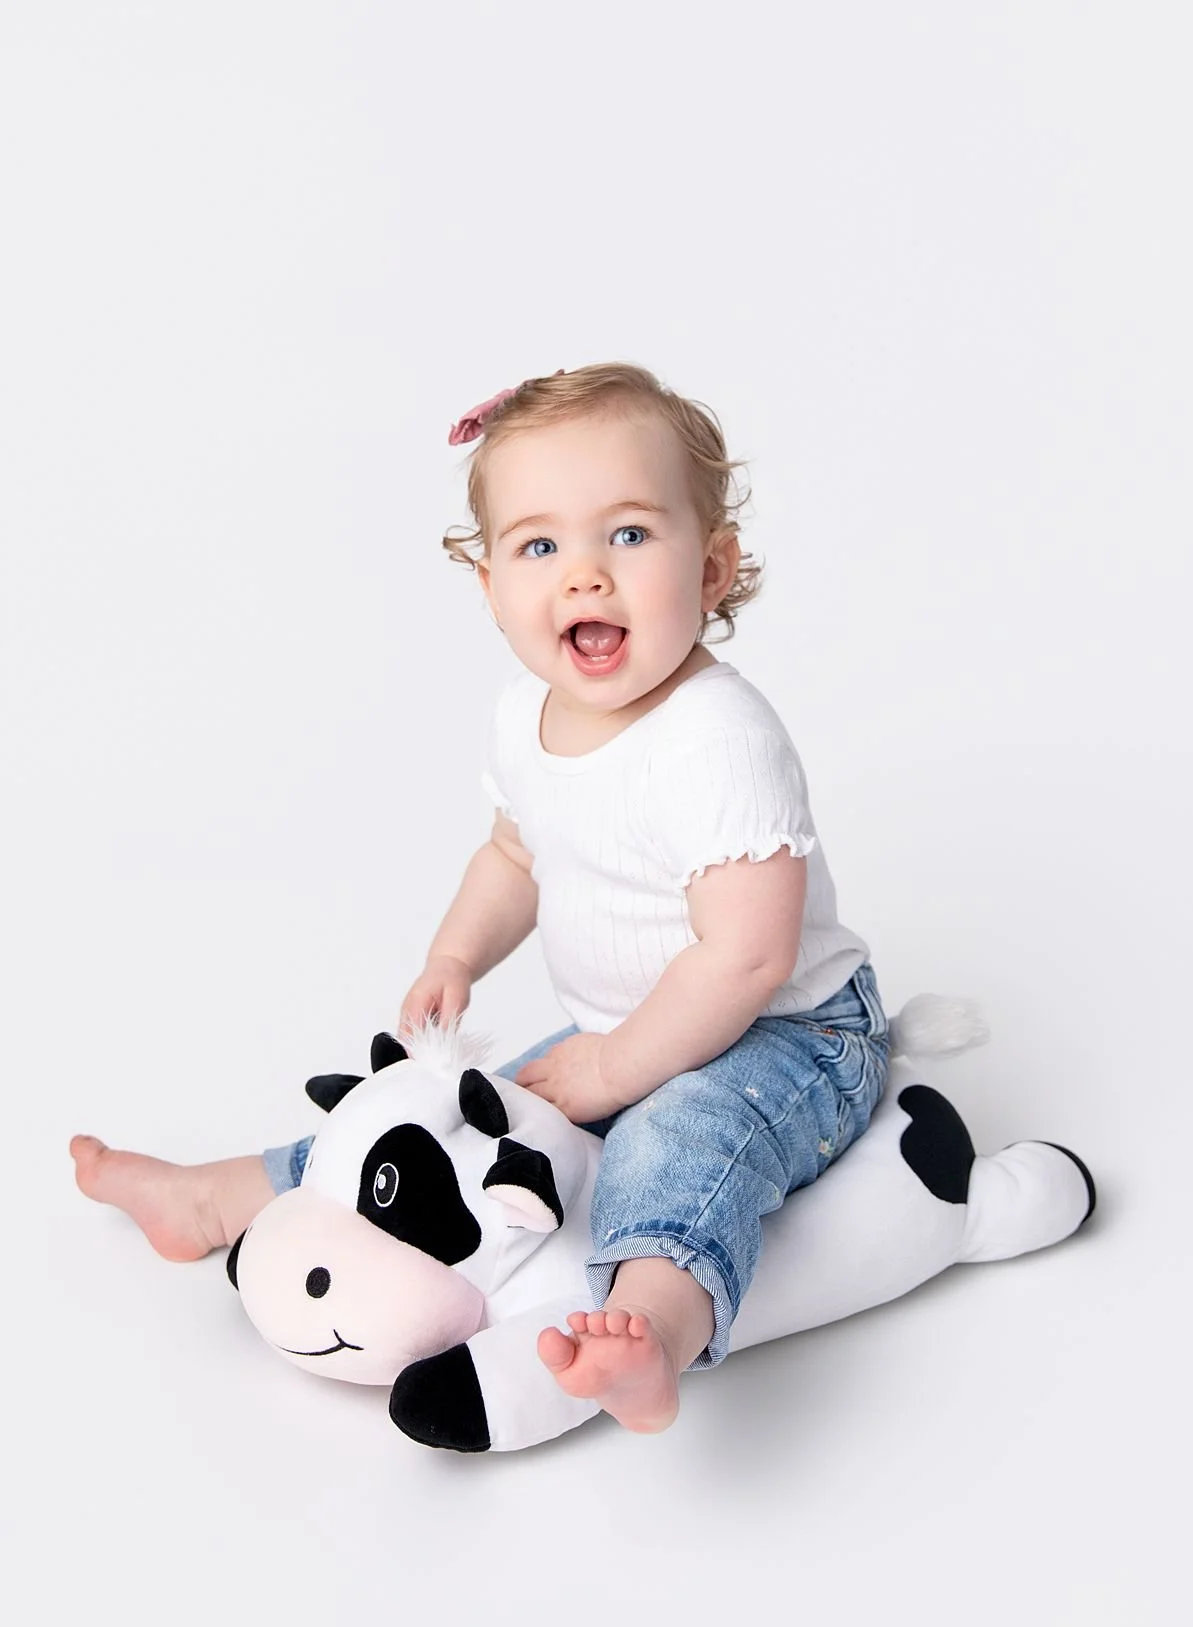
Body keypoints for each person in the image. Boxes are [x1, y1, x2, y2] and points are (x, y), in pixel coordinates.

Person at [71, 361, 890, 1435]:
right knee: (444, 1114)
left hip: (792, 1040)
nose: (585, 578)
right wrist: (456, 956)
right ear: (490, 582)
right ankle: (226, 1197)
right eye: (540, 546)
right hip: (628, 1026)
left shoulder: (716, 740)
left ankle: (651, 1329)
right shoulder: (526, 717)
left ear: (716, 568)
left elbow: (747, 956)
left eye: (630, 537)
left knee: (676, 1142)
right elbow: (516, 856)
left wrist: (612, 1068)